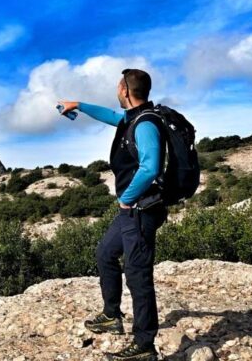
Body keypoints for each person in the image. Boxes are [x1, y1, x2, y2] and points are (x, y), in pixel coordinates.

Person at [58, 68, 167, 361]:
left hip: (141, 209)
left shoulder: (144, 124)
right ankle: (111, 315)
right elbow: (110, 116)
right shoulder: (132, 118)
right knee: (106, 253)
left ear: (126, 91)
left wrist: (127, 198)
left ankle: (144, 346)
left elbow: (151, 166)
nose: (116, 91)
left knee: (137, 275)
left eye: (119, 87)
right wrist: (78, 105)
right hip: (132, 211)